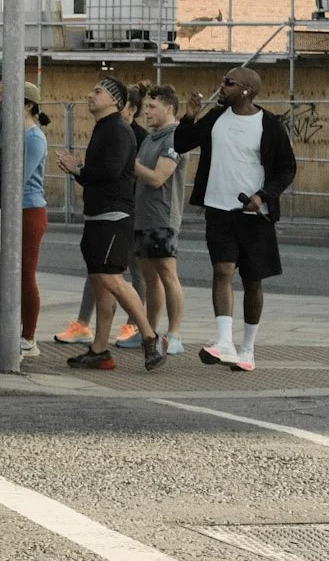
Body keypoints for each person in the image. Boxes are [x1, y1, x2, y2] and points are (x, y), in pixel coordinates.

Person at [177, 67, 297, 372]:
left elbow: (287, 168)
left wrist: (264, 196)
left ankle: (248, 349)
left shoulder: (269, 125)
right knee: (222, 271)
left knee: (252, 281)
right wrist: (189, 116)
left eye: (228, 83)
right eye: (222, 80)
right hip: (218, 209)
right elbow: (181, 143)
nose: (222, 86)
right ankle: (224, 343)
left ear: (246, 91)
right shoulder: (216, 118)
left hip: (254, 214)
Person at [53, 77, 163, 371]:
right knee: (100, 282)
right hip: (97, 215)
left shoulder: (117, 129)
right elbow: (98, 176)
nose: (90, 95)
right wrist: (78, 171)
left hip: (114, 217)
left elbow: (111, 172)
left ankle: (149, 337)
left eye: (98, 91)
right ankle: (100, 350)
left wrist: (79, 169)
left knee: (112, 279)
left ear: (115, 100)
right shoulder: (104, 127)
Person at [133, 84, 187, 356]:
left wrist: (131, 164)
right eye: (145, 107)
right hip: (142, 217)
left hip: (163, 217)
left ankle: (174, 334)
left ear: (169, 108)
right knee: (149, 278)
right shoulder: (150, 138)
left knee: (167, 275)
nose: (147, 112)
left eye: (152, 107)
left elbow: (157, 178)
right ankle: (150, 332)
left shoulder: (175, 138)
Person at [17, 86, 50, 358]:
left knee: (26, 274)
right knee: (15, 275)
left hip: (30, 210)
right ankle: (18, 332)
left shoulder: (34, 137)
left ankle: (29, 337)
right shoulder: (22, 134)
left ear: (29, 105)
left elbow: (19, 177)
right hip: (20, 210)